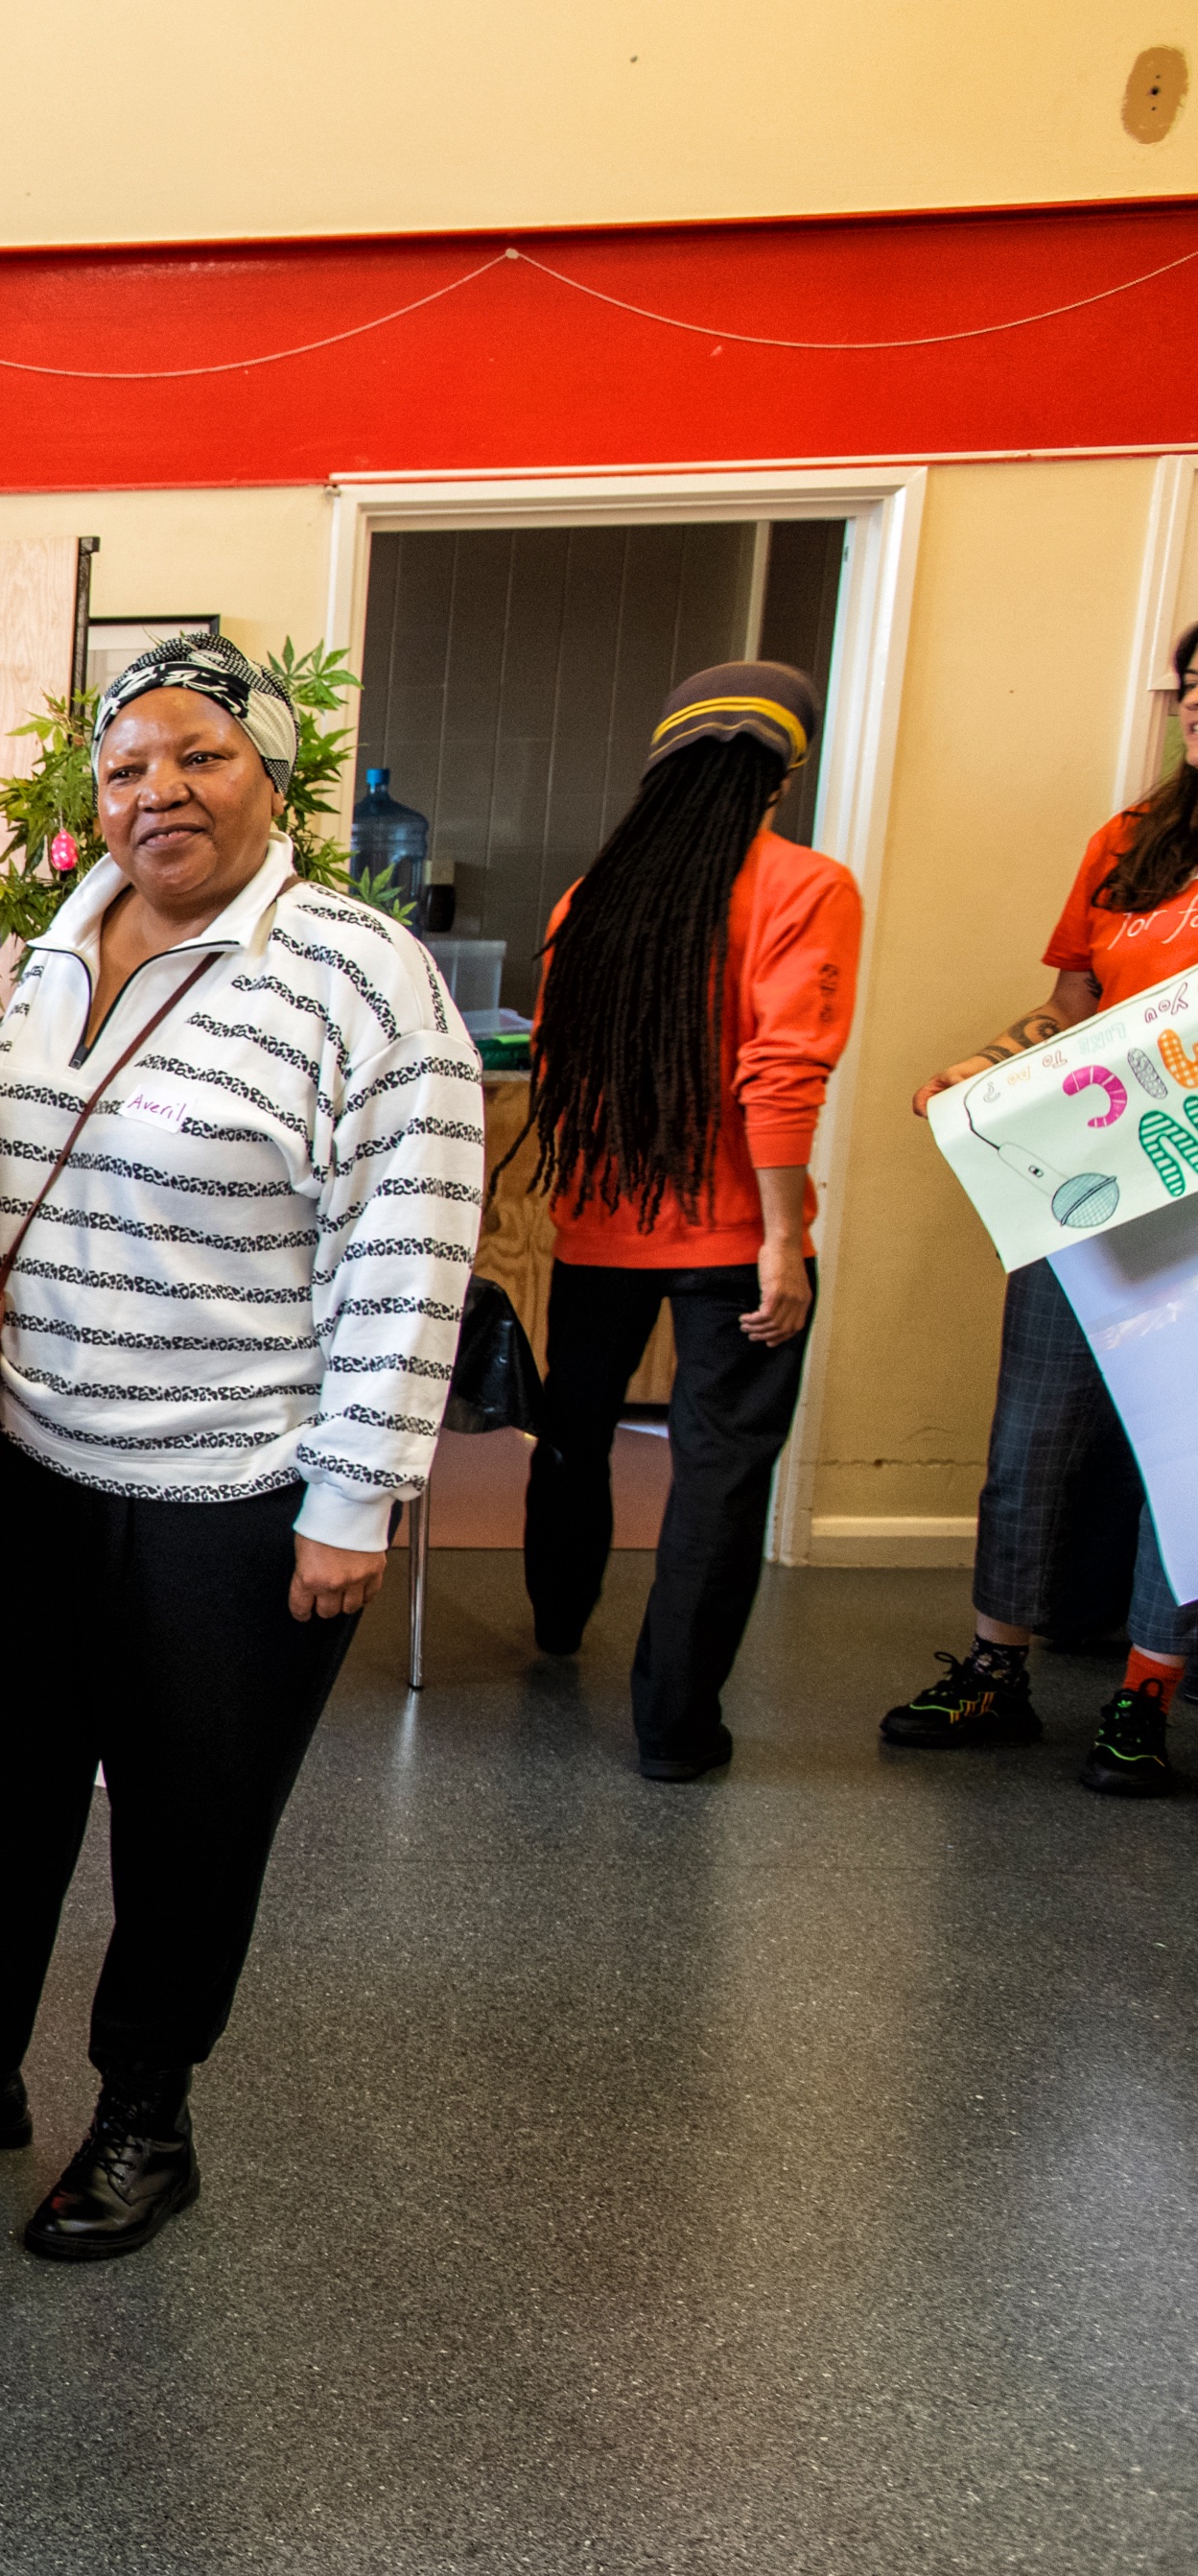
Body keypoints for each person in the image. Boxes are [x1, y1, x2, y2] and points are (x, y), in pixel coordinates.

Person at [0, 633, 484, 2268]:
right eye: (127, 764)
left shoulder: (354, 975)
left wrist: (350, 1491)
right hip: (27, 1470)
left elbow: (410, 1243)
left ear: (267, 775)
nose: (158, 790)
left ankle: (146, 2114)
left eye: (197, 756)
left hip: (233, 1491)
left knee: (187, 1818)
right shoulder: (48, 950)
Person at [521, 664, 862, 1782]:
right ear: (776, 777)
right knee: (718, 1471)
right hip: (729, 1236)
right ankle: (673, 1733)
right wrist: (779, 1238)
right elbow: (781, 1072)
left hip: (602, 1226)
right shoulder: (804, 887)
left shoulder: (592, 896)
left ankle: (557, 1623)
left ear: (659, 767)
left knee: (573, 1434)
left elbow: (554, 1058)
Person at [880, 621, 1198, 1799]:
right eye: (1191, 689)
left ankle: (1142, 1698)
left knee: (1184, 1460)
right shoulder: (1128, 844)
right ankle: (993, 1671)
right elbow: (1068, 1004)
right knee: (1029, 1443)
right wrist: (987, 1069)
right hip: (1093, 1191)